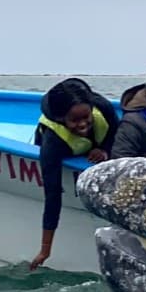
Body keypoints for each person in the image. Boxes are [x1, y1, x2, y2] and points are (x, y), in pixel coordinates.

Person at [31, 78, 117, 270]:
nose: (83, 124)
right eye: (75, 120)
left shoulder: (103, 108)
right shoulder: (52, 142)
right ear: (61, 119)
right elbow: (52, 195)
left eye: (86, 117)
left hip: (94, 145)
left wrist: (104, 150)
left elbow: (114, 132)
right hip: (64, 148)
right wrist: (45, 250)